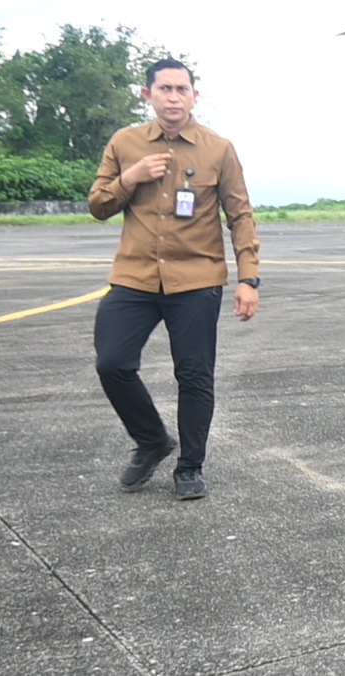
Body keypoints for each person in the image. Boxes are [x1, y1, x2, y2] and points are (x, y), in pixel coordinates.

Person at [87, 58, 261, 501]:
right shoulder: (125, 143)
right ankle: (152, 441)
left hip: (196, 280)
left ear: (194, 97)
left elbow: (240, 215)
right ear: (147, 95)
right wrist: (131, 177)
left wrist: (248, 280)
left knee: (195, 375)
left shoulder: (217, 149)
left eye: (182, 89)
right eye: (164, 89)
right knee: (113, 363)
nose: (173, 97)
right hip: (135, 277)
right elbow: (98, 205)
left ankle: (190, 465)